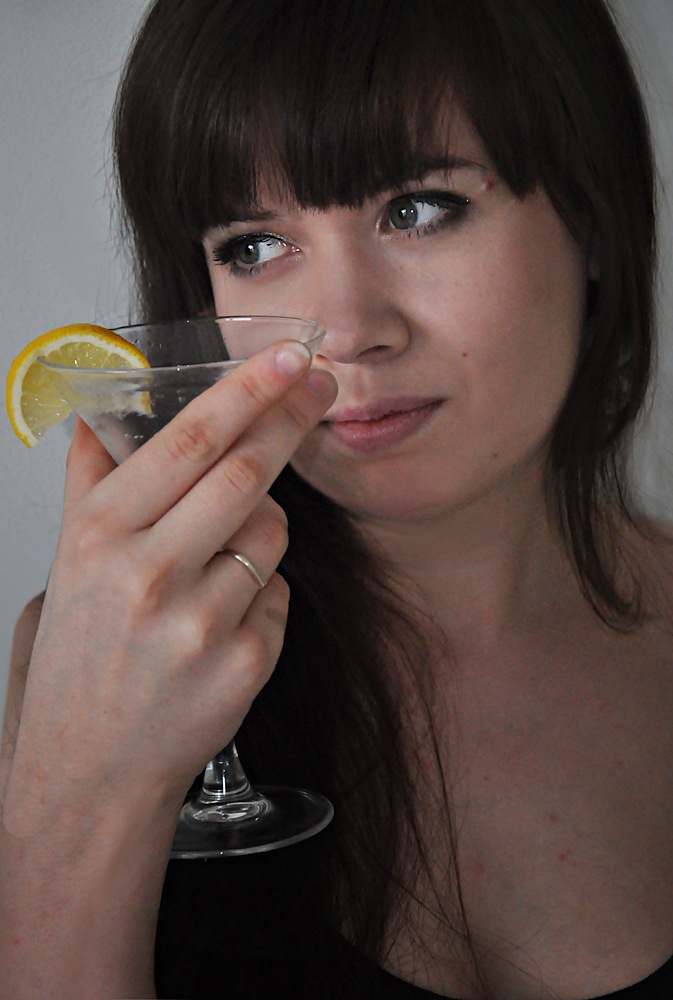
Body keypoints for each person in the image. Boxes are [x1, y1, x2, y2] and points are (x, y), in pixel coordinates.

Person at [2, 0, 673, 997]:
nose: (346, 331)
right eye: (252, 246)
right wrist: (78, 798)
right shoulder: (107, 665)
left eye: (418, 209)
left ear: (594, 222)